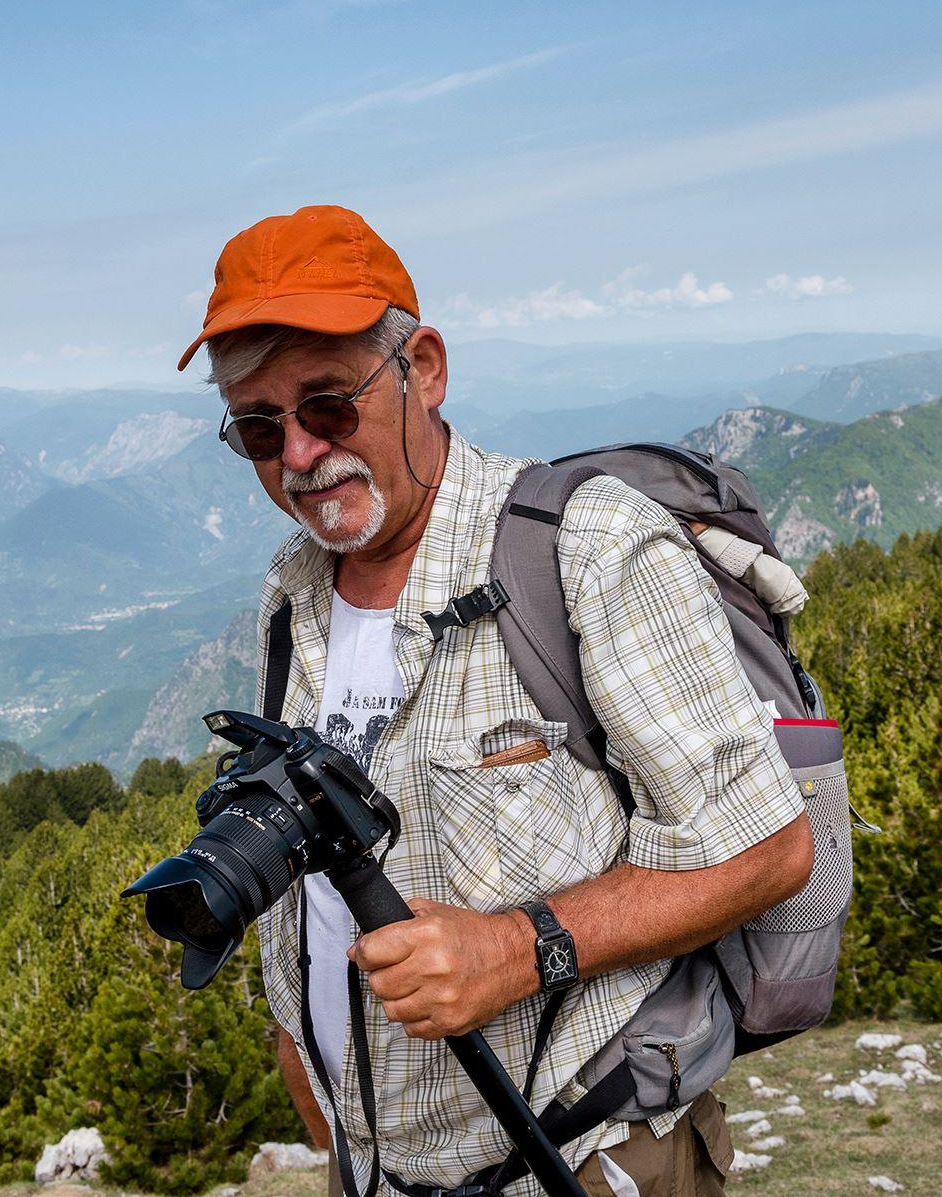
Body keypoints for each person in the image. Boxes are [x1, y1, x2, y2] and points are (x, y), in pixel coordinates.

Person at [178, 205, 815, 1197]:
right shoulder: (292, 592)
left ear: (422, 369)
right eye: (259, 426)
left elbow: (767, 846)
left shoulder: (588, 549)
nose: (299, 454)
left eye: (327, 407)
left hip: (584, 1161)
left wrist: (514, 949)